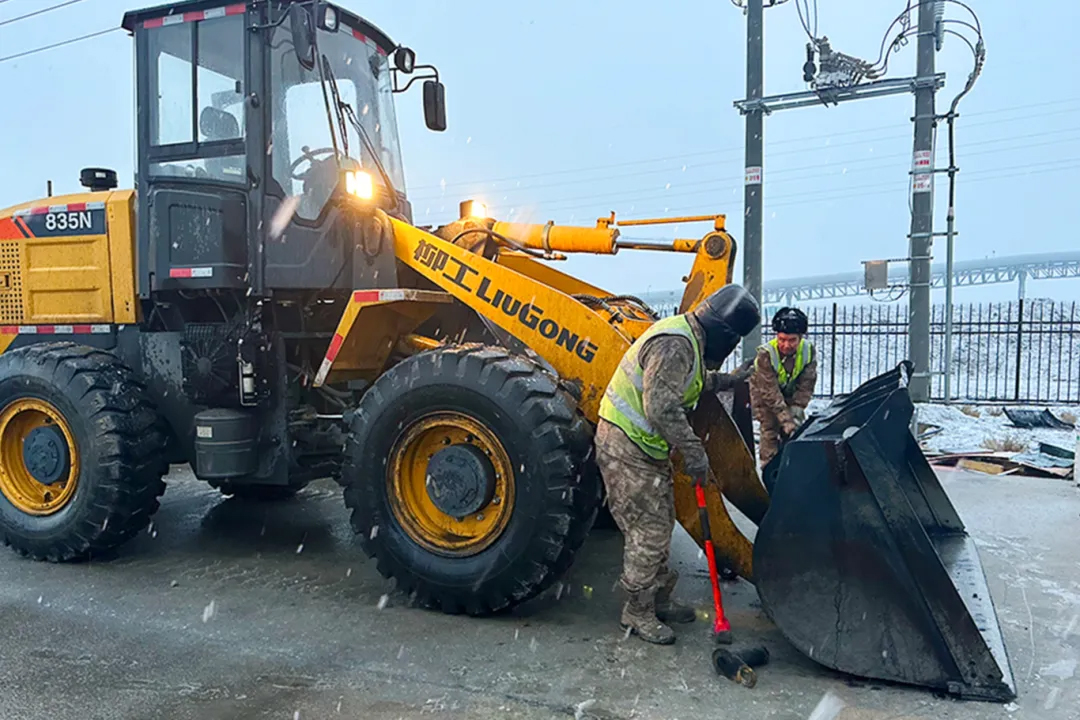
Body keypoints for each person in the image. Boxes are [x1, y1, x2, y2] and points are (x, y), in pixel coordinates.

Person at [596, 285, 761, 645]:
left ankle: (658, 599)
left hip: (644, 447)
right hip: (625, 445)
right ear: (726, 334)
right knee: (649, 531)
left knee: (661, 521)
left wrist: (730, 379)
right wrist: (694, 452)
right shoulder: (675, 344)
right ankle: (637, 611)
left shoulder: (689, 340)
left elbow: (688, 383)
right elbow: (661, 408)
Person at [749, 307, 817, 470]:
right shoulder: (766, 354)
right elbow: (769, 391)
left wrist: (797, 409)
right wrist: (785, 419)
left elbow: (806, 383)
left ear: (801, 338)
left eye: (792, 340)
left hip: (789, 393)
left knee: (793, 431)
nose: (786, 345)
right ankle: (769, 469)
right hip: (764, 396)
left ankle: (791, 469)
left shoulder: (808, 351)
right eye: (782, 339)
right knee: (770, 429)